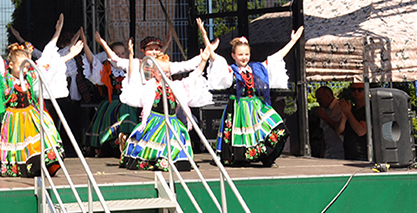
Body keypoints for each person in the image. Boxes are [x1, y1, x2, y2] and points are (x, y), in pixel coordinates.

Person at [0, 29, 82, 178]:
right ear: (10, 65)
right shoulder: (4, 80)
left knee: (44, 136)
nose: (24, 70)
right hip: (12, 118)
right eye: (21, 66)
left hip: (30, 115)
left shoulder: (30, 76)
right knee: (16, 147)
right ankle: (21, 168)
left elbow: (50, 66)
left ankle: (44, 164)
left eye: (27, 66)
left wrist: (70, 55)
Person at [207, 26, 303, 167]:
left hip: (255, 105)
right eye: (240, 55)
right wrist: (205, 37)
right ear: (233, 56)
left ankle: (268, 157)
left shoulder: (256, 68)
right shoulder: (231, 70)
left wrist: (293, 41)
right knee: (241, 135)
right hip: (238, 107)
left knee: (276, 126)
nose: (244, 57)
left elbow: (277, 57)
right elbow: (215, 59)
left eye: (246, 54)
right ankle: (239, 158)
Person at [119, 49, 211, 171]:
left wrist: (203, 61)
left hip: (172, 122)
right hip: (156, 122)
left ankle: (171, 160)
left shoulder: (175, 86)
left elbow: (193, 78)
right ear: (154, 72)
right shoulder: (149, 86)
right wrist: (130, 55)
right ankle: (158, 160)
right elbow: (133, 77)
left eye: (167, 72)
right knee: (155, 142)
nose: (165, 74)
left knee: (175, 142)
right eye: (161, 71)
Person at [80, 31, 136, 157]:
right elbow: (92, 60)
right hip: (112, 103)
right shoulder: (106, 69)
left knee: (128, 118)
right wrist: (85, 45)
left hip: (127, 102)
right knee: (113, 122)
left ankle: (126, 145)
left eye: (123, 53)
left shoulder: (129, 67)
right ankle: (115, 145)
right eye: (117, 53)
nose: (120, 56)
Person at [339, 83, 368, 161]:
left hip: (363, 156)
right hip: (349, 155)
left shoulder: (369, 109)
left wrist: (348, 113)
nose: (356, 92)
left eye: (360, 90)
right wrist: (344, 118)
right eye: (353, 89)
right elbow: (339, 131)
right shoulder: (351, 109)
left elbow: (361, 131)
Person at [314, 86, 344, 160]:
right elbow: (325, 132)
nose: (318, 101)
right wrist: (323, 152)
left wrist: (325, 118)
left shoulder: (339, 107)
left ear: (328, 97)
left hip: (340, 150)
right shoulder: (324, 110)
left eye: (320, 99)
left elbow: (340, 130)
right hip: (329, 150)